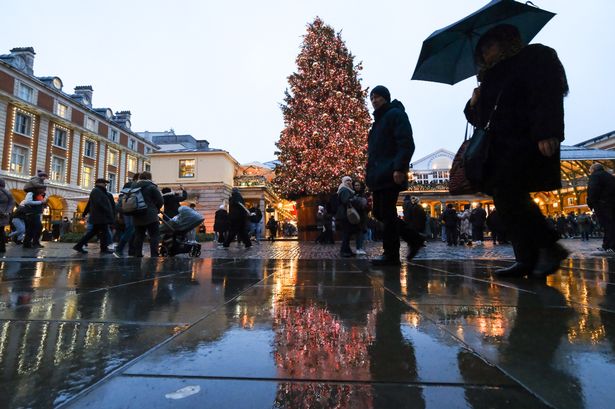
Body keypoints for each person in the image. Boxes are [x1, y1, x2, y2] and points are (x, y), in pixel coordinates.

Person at [464, 24, 569, 277]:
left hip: (525, 141)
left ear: (505, 41)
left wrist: (547, 131)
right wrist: (473, 103)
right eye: (482, 50)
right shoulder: (489, 77)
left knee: (512, 196)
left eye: (490, 46)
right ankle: (526, 258)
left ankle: (549, 246)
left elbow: (547, 94)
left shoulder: (534, 58)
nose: (485, 53)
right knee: (505, 198)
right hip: (498, 148)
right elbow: (480, 120)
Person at [365, 85, 419, 266]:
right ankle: (414, 238)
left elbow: (406, 143)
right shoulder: (377, 123)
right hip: (378, 175)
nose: (374, 100)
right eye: (372, 97)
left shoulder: (396, 114)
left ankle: (391, 254)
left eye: (378, 97)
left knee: (387, 213)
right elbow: (374, 153)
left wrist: (399, 168)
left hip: (390, 173)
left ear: (386, 98)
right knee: (379, 213)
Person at [73, 179, 116, 254]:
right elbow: (99, 203)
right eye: (104, 183)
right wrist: (107, 211)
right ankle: (103, 249)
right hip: (100, 216)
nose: (105, 185)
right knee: (103, 232)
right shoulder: (96, 191)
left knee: (95, 232)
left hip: (100, 216)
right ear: (99, 183)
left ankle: (79, 246)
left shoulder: (100, 191)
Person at [131, 171, 164, 257]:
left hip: (137, 214)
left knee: (139, 235)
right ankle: (154, 254)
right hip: (150, 215)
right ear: (149, 177)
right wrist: (156, 208)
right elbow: (160, 200)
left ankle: (137, 254)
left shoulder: (133, 186)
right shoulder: (152, 187)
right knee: (154, 235)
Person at [587, 163, 615, 252]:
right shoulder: (610, 176)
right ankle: (607, 245)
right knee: (611, 225)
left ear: (593, 170)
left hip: (602, 205)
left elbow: (593, 190)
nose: (590, 172)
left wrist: (591, 203)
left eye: (590, 171)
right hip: (612, 204)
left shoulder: (595, 176)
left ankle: (610, 246)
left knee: (607, 226)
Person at [114, 173, 140, 257]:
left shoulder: (128, 185)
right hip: (131, 210)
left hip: (126, 211)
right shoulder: (135, 185)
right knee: (131, 230)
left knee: (132, 230)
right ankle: (119, 248)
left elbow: (121, 198)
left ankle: (131, 250)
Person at [336, 176, 357, 257]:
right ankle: (344, 251)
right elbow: (345, 201)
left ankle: (347, 250)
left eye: (350, 180)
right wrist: (354, 199)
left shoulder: (347, 189)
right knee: (346, 233)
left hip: (345, 214)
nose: (349, 182)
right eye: (347, 180)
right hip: (345, 214)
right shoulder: (344, 189)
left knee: (347, 233)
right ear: (344, 181)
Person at [353, 180, 369, 255]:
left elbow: (367, 206)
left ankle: (360, 247)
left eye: (358, 185)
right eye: (355, 185)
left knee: (361, 232)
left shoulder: (363, 194)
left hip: (362, 216)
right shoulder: (353, 194)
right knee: (358, 232)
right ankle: (358, 248)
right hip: (355, 215)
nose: (357, 187)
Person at [0, 179, 15, 253]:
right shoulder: (8, 193)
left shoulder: (1, 192)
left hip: (1, 213)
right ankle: (2, 248)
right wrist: (7, 212)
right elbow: (12, 203)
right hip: (4, 215)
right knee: (1, 231)